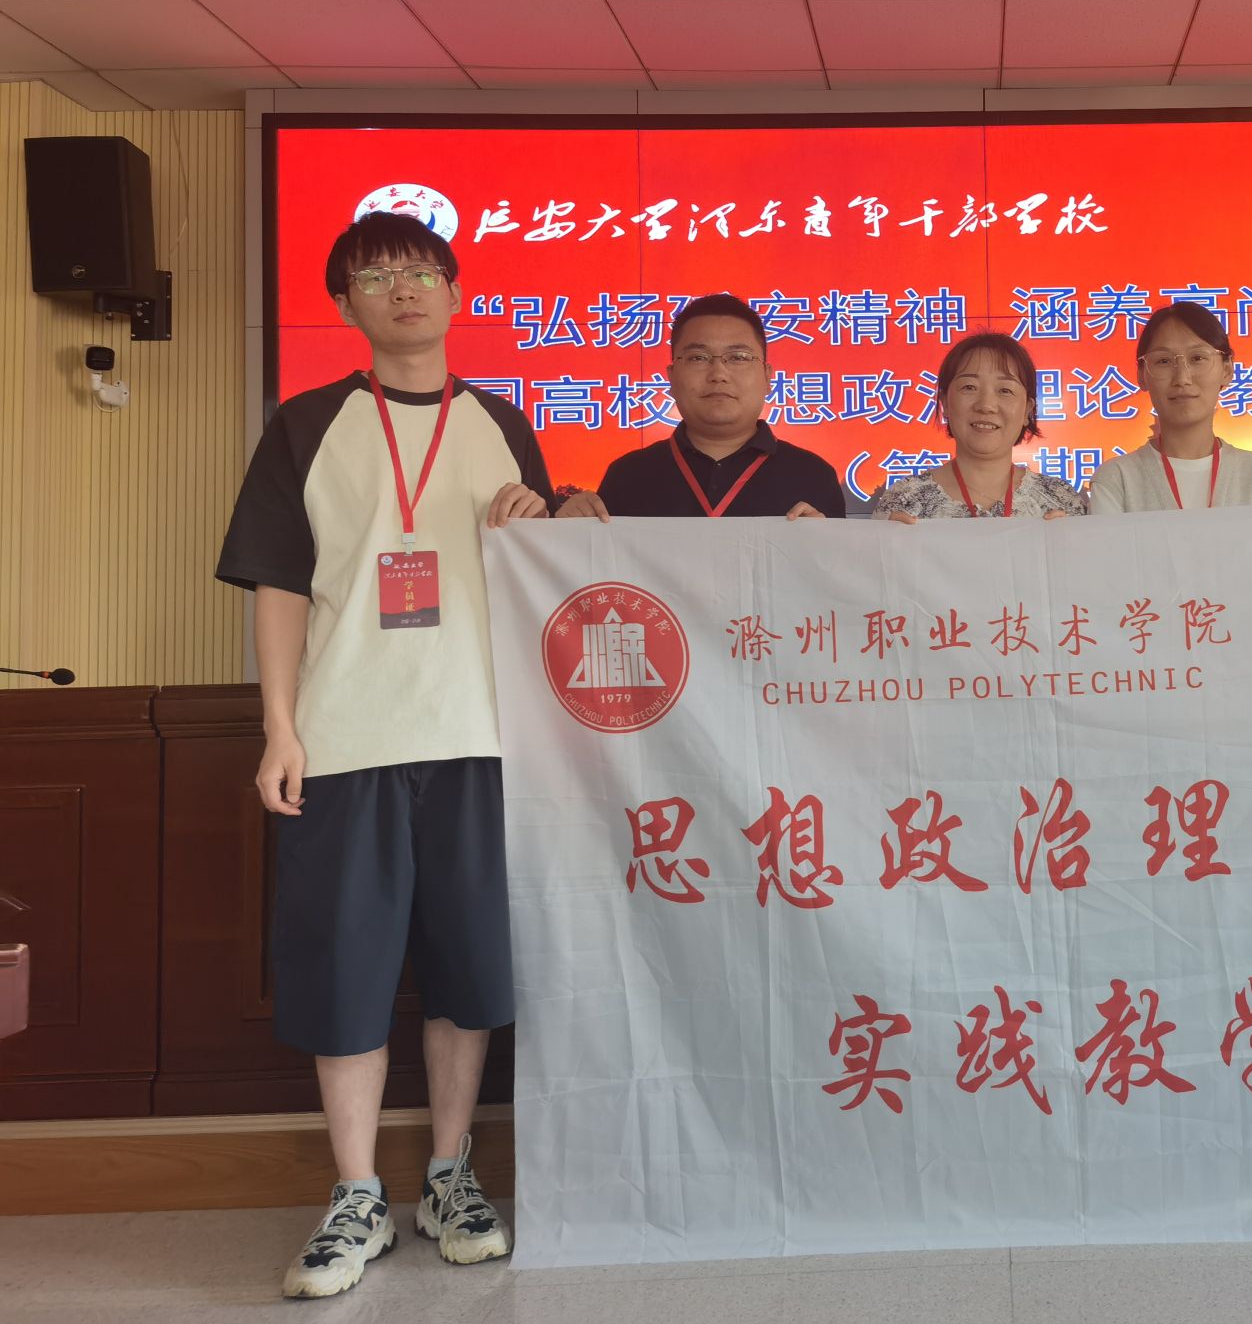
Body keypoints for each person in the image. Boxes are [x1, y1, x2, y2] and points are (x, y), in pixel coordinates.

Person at [216, 212, 554, 1298]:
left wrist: (538, 518)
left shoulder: (504, 424)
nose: (403, 290)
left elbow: (543, 574)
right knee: (346, 969)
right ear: (344, 304)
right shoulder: (307, 426)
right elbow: (279, 584)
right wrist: (281, 727)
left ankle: (450, 1175)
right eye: (376, 278)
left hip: (479, 737)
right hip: (348, 738)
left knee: (468, 969)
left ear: (456, 292)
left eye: (420, 272)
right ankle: (356, 1193)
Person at [554, 293, 844, 522]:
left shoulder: (813, 476)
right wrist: (570, 530)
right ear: (671, 377)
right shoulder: (628, 476)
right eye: (697, 358)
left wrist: (822, 546)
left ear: (768, 377)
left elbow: (833, 575)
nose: (718, 373)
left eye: (738, 357)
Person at [1086, 301, 1252, 513]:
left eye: (1198, 358)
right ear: (1141, 375)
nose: (1182, 378)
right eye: (1164, 361)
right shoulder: (1116, 480)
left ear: (1227, 370)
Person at [869, 332, 1086, 520]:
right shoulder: (904, 501)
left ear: (1027, 410)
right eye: (969, 387)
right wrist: (890, 544)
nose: (986, 405)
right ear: (945, 402)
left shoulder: (1060, 500)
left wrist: (1070, 543)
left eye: (1005, 390)